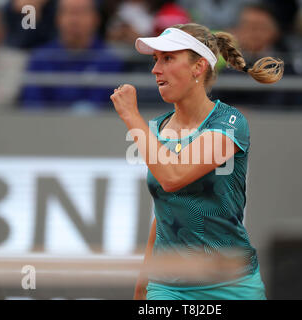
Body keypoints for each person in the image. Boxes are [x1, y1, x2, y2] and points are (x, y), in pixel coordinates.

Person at [110, 23, 283, 300]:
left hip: (232, 283)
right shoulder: (155, 129)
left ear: (198, 67)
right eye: (156, 60)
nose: (156, 69)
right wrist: (142, 285)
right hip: (168, 287)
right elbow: (163, 213)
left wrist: (131, 115)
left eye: (168, 59)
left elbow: (172, 177)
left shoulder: (229, 123)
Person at [20, 0, 123, 112]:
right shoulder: (40, 59)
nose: (74, 20)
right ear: (57, 18)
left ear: (96, 18)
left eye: (81, 12)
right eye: (68, 12)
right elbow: (32, 104)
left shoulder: (109, 61)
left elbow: (110, 108)